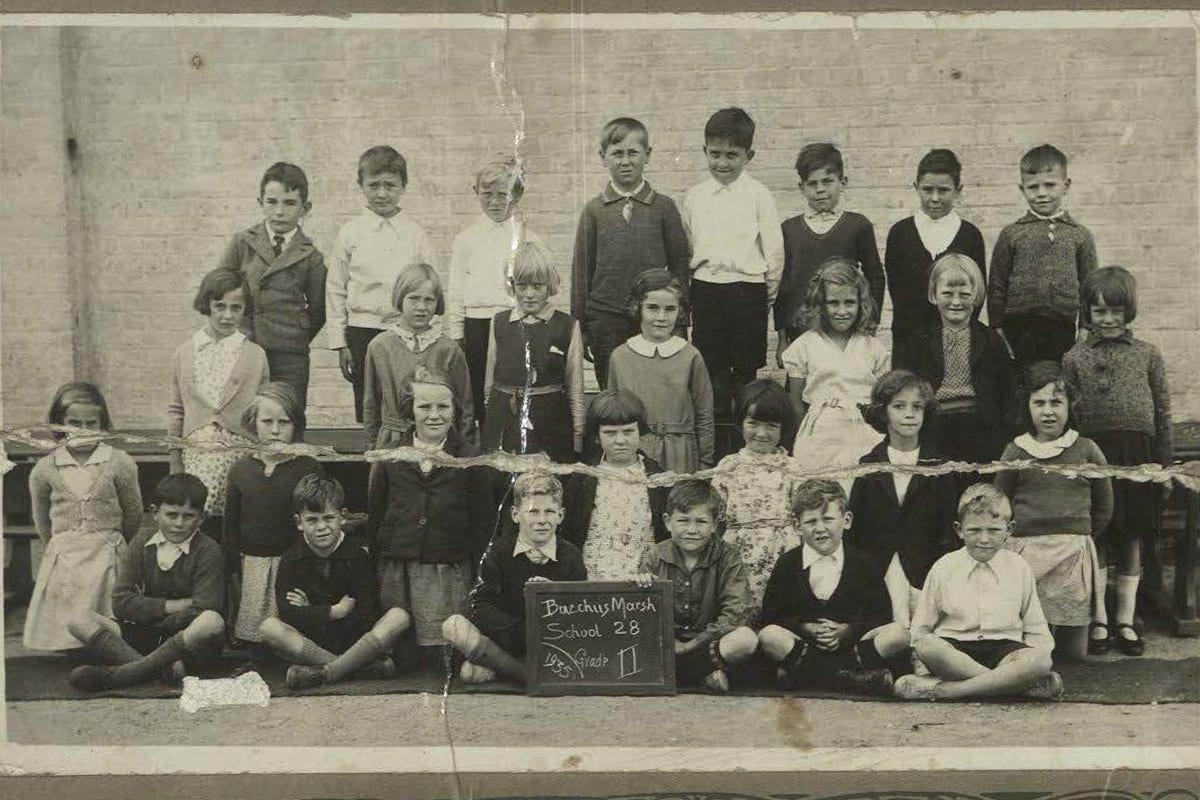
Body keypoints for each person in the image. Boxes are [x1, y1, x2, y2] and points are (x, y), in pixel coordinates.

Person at [1064, 266, 1173, 657]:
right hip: (1095, 454)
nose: (1108, 320)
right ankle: (1098, 620)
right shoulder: (1075, 358)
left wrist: (1164, 464)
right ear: (1087, 313)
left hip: (1138, 456)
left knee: (1131, 536)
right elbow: (1069, 417)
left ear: (1129, 312)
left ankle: (1125, 620)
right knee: (1100, 536)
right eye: (1099, 312)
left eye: (1116, 312)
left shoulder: (1147, 354)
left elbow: (1162, 410)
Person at [366, 368, 493, 669]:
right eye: (424, 407)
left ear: (454, 409)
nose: (434, 415)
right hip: (401, 566)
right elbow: (377, 514)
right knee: (404, 653)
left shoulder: (470, 458)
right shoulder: (390, 457)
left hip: (447, 567)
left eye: (443, 407)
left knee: (443, 657)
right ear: (409, 411)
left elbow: (482, 523)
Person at [895, 484, 1062, 701]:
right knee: (928, 645)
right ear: (959, 530)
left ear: (1009, 530)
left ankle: (946, 691)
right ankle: (1014, 687)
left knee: (1040, 660)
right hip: (954, 650)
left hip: (1005, 651)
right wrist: (922, 668)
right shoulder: (944, 567)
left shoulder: (1019, 567)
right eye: (974, 530)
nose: (984, 539)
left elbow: (1036, 627)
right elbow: (921, 629)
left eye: (993, 530)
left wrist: (1036, 663)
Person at [994, 361, 1113, 661]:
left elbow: (1105, 503)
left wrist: (1081, 534)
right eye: (1039, 403)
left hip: (1072, 549)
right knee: (1032, 640)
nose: (1048, 411)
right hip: (1026, 551)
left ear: (1070, 405)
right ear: (1027, 406)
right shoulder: (1016, 450)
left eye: (1056, 402)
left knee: (1074, 654)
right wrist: (1013, 541)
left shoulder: (1086, 449)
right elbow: (999, 500)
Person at [66, 474, 225, 691]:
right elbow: (121, 603)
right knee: (77, 618)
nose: (179, 524)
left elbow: (206, 607)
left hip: (187, 641)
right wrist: (174, 605)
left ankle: (118, 676)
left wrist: (146, 609)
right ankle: (161, 669)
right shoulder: (141, 542)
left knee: (212, 621)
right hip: (146, 633)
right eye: (171, 515)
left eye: (188, 516)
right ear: (155, 513)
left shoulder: (209, 550)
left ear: (201, 518)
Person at [259, 473, 412, 690]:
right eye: (312, 520)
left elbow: (367, 611)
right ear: (299, 523)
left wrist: (311, 610)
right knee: (269, 627)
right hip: (313, 642)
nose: (322, 527)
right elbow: (288, 612)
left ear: (342, 517)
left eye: (328, 518)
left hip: (355, 640)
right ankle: (356, 668)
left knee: (399, 616)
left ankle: (328, 671)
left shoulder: (358, 555)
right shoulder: (291, 559)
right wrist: (333, 612)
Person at [757, 479, 909, 696]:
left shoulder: (864, 563)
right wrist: (804, 628)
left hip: (853, 649)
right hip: (805, 648)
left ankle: (809, 678)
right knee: (769, 636)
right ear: (797, 526)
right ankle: (848, 679)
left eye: (828, 519)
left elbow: (881, 615)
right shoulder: (788, 564)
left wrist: (848, 630)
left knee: (898, 634)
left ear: (846, 520)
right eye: (810, 522)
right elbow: (771, 616)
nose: (820, 529)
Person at [681, 107, 783, 427]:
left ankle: (746, 437)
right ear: (704, 151)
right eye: (715, 154)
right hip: (707, 289)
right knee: (711, 371)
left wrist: (764, 292)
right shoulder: (695, 197)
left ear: (748, 155)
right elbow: (688, 246)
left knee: (746, 372)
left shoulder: (759, 195)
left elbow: (774, 250)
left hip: (746, 290)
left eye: (732, 155)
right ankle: (716, 442)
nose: (722, 163)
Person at [571, 117, 691, 388]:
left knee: (656, 383)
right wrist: (581, 327)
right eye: (617, 153)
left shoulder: (664, 207)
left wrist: (680, 319)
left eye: (633, 152)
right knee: (613, 387)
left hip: (653, 316)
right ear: (603, 157)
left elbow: (680, 267)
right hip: (606, 318)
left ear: (647, 155)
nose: (625, 161)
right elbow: (582, 272)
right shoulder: (594, 211)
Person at [24, 383, 143, 652]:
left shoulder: (119, 462)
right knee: (69, 602)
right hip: (66, 554)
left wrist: (115, 542)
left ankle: (107, 646)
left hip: (106, 549)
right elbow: (42, 519)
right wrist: (59, 544)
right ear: (59, 424)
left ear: (102, 425)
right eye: (74, 423)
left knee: (106, 605)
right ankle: (69, 646)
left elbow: (133, 512)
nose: (82, 431)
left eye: (91, 424)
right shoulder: (45, 469)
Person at [326, 145, 438, 423]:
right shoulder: (350, 233)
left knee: (407, 402)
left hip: (406, 332)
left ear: (403, 186)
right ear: (360, 185)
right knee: (369, 407)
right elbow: (336, 288)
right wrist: (341, 344)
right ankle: (373, 459)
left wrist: (429, 339)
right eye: (373, 185)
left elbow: (431, 290)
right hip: (362, 332)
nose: (382, 193)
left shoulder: (416, 235)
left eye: (390, 185)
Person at [443, 473, 587, 686]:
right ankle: (523, 673)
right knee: (453, 625)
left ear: (561, 515)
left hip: (552, 645)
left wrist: (555, 593)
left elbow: (582, 611)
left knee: (471, 673)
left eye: (549, 511)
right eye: (532, 512)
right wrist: (518, 632)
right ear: (515, 514)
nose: (541, 520)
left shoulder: (571, 556)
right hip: (507, 640)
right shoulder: (498, 553)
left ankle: (507, 670)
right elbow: (481, 606)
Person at [848, 370, 957, 630]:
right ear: (883, 412)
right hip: (881, 566)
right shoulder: (869, 465)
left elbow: (948, 527)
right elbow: (856, 529)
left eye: (917, 407)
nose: (910, 413)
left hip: (925, 565)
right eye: (899, 406)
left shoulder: (939, 466)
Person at [167, 268, 269, 538]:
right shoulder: (185, 353)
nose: (227, 315)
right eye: (219, 306)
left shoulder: (254, 355)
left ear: (245, 309)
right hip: (196, 450)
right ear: (207, 305)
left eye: (236, 308)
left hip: (240, 449)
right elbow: (177, 409)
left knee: (236, 517)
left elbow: (264, 409)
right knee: (197, 509)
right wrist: (175, 459)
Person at [216, 161, 327, 409]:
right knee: (244, 415)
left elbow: (319, 310)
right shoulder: (243, 243)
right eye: (271, 202)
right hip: (245, 347)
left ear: (305, 208)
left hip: (290, 355)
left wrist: (294, 335)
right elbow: (219, 290)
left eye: (289, 203)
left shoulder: (311, 256)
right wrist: (238, 333)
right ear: (260, 203)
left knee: (288, 416)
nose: (279, 211)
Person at [224, 383, 323, 655]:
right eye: (267, 421)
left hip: (294, 563)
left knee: (292, 626)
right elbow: (230, 527)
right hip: (253, 563)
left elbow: (316, 519)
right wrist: (233, 567)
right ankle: (257, 656)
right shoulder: (241, 470)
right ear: (253, 423)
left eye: (284, 422)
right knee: (255, 634)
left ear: (296, 426)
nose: (276, 430)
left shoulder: (307, 467)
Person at [893, 252, 1015, 472]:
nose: (956, 302)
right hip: (934, 426)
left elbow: (1007, 393)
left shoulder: (991, 340)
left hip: (980, 427)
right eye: (947, 293)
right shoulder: (918, 340)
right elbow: (903, 388)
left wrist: (1006, 439)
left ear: (976, 295)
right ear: (933, 295)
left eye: (964, 294)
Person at [634, 480, 758, 694]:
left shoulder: (728, 556)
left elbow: (737, 611)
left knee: (745, 639)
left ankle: (680, 675)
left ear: (715, 525)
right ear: (667, 521)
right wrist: (640, 586)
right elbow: (641, 612)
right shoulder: (655, 555)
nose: (692, 530)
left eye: (701, 521)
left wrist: (693, 644)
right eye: (683, 520)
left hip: (708, 645)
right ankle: (703, 675)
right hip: (667, 644)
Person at [446, 156, 542, 425]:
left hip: (514, 323)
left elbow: (540, 289)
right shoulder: (466, 239)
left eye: (503, 195)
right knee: (478, 388)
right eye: (487, 195)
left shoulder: (528, 238)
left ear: (517, 195)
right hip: (476, 324)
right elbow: (456, 289)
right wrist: (457, 333)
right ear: (477, 193)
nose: (495, 202)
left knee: (511, 385)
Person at [774, 142, 885, 365]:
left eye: (827, 181)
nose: (820, 189)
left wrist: (869, 325)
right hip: (801, 328)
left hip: (846, 326)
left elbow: (875, 277)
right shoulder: (789, 229)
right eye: (812, 184)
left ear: (843, 183)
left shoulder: (858, 225)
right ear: (801, 187)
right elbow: (783, 287)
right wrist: (782, 337)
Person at [988, 144, 1098, 368]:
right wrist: (997, 329)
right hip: (1017, 329)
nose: (1041, 193)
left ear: (1066, 186)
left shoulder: (1080, 235)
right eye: (1033, 187)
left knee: (1057, 389)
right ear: (1022, 189)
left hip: (1062, 329)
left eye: (1050, 185)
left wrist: (1085, 330)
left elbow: (1090, 288)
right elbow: (997, 285)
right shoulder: (1012, 234)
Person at [781, 257, 889, 474]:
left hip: (864, 431)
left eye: (849, 303)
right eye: (833, 303)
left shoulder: (874, 348)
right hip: (820, 433)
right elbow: (796, 402)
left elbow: (882, 401)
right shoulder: (804, 346)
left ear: (861, 304)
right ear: (820, 304)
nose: (842, 311)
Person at [481, 240, 585, 463]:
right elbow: (490, 382)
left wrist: (578, 435)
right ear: (512, 286)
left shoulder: (567, 325)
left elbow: (575, 386)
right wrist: (492, 422)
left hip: (550, 423)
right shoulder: (499, 322)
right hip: (504, 419)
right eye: (522, 286)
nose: (529, 294)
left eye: (537, 286)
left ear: (550, 286)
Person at [608, 270, 715, 474]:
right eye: (652, 308)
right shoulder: (620, 357)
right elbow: (612, 415)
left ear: (680, 312)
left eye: (670, 309)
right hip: (635, 451)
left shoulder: (690, 356)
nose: (661, 317)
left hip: (681, 452)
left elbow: (704, 413)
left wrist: (706, 461)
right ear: (637, 308)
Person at [560, 389, 670, 580]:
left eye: (628, 431)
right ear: (597, 436)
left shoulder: (656, 477)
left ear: (640, 431)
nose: (620, 440)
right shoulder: (584, 477)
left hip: (642, 578)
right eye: (610, 433)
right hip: (593, 575)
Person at [362, 262, 473, 449]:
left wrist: (464, 449)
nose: (421, 307)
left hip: (439, 439)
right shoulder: (380, 346)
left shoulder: (449, 349)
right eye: (413, 298)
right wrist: (374, 447)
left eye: (429, 300)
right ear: (400, 299)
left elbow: (465, 408)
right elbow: (370, 405)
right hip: (393, 441)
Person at [713, 379, 801, 612]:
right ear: (741, 423)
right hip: (738, 552)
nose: (761, 433)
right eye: (753, 423)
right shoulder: (728, 465)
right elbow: (715, 517)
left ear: (784, 428)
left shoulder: (793, 467)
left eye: (771, 426)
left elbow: (803, 515)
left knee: (780, 608)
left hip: (782, 551)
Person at [884, 148, 986, 344]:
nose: (935, 198)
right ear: (916, 187)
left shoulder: (970, 235)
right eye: (928, 189)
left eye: (944, 190)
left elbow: (977, 293)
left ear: (958, 190)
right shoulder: (899, 233)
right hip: (909, 339)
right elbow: (897, 292)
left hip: (956, 338)